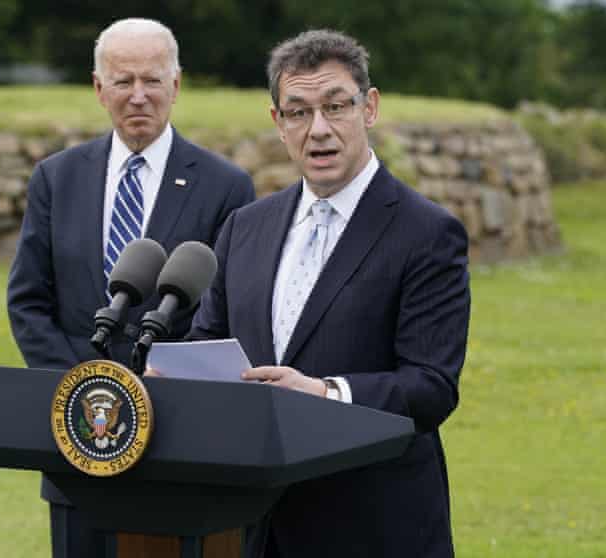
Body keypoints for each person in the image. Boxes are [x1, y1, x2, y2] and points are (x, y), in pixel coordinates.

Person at [187, 30, 471, 557]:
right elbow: (210, 340)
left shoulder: (428, 233)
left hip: (374, 526)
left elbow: (430, 387)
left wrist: (325, 393)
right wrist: (179, 378)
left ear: (370, 107)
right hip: (256, 527)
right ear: (277, 122)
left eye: (335, 106)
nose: (318, 129)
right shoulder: (244, 227)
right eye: (298, 112)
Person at [6, 18, 255, 558]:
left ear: (176, 85)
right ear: (99, 89)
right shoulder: (57, 177)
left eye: (152, 80)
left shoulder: (226, 187)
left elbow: (229, 310)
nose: (138, 96)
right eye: (123, 81)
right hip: (78, 439)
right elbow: (28, 300)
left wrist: (159, 394)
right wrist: (81, 388)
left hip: (180, 439)